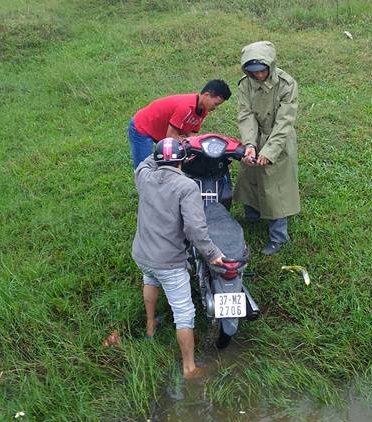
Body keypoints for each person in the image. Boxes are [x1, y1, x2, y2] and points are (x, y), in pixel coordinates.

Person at [113, 138, 225, 380]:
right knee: (184, 313)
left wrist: (160, 151)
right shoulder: (186, 187)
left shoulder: (143, 177)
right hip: (169, 262)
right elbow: (195, 230)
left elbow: (145, 162)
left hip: (142, 254)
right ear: (183, 161)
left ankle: (151, 325)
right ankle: (189, 368)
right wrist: (213, 254)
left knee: (150, 280)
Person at [234, 41, 300, 256]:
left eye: (263, 71)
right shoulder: (245, 84)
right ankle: (252, 217)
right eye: (254, 72)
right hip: (256, 136)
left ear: (270, 66)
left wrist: (270, 151)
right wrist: (250, 145)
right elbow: (246, 115)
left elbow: (284, 122)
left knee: (276, 189)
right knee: (249, 177)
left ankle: (279, 237)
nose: (259, 76)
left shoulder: (286, 84)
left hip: (278, 139)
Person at [127, 80, 232, 168]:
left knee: (165, 163)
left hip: (160, 130)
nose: (215, 107)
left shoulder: (203, 111)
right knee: (144, 167)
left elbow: (191, 135)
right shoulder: (185, 107)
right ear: (206, 95)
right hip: (142, 127)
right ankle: (145, 191)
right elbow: (171, 136)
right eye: (216, 103)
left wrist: (205, 148)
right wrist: (189, 144)